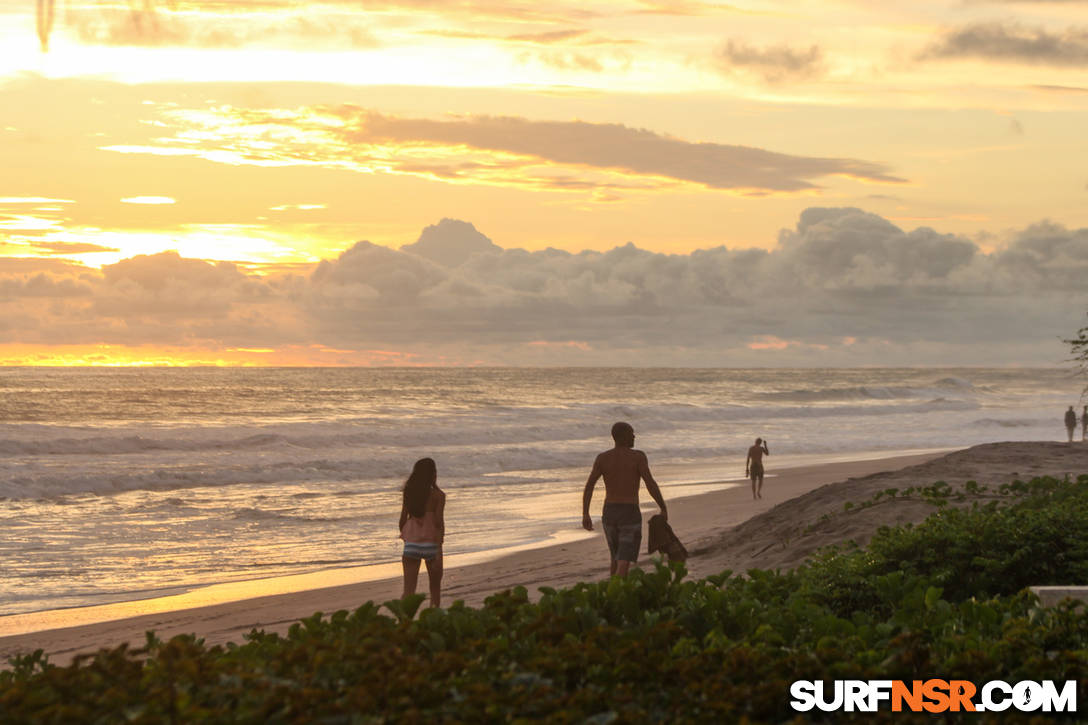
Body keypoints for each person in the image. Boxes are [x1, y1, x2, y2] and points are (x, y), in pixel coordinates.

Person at [582, 421, 668, 577]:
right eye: (631, 433)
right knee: (624, 559)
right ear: (623, 436)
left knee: (615, 557)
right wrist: (663, 507)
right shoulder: (638, 457)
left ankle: (612, 593)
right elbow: (650, 483)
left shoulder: (603, 458)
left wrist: (585, 514)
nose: (634, 436)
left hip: (610, 512)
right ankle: (617, 594)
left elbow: (589, 487)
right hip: (629, 512)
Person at [398, 457, 445, 608]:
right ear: (433, 474)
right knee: (435, 589)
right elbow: (438, 523)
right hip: (432, 545)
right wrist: (438, 549)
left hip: (411, 545)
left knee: (408, 592)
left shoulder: (409, 493)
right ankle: (433, 619)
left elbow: (402, 521)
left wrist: (407, 540)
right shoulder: (438, 495)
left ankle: (403, 622)